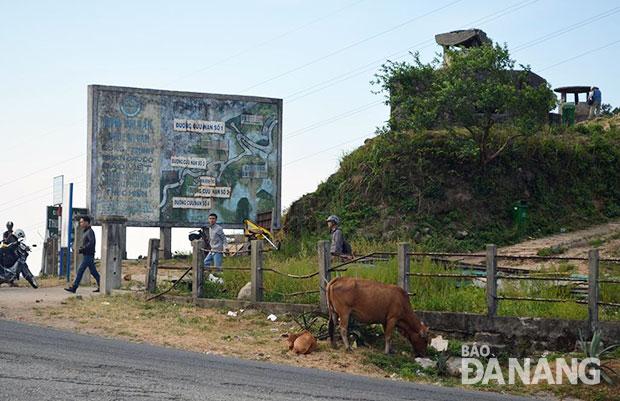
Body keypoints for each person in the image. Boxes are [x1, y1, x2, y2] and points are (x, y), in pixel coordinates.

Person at [65, 216, 100, 293]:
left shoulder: (90, 232)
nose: (81, 223)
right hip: (87, 254)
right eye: (80, 222)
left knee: (80, 270)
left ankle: (74, 287)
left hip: (88, 255)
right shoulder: (86, 231)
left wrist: (83, 249)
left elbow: (91, 243)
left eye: (82, 222)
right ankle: (102, 286)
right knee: (93, 272)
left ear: (87, 222)